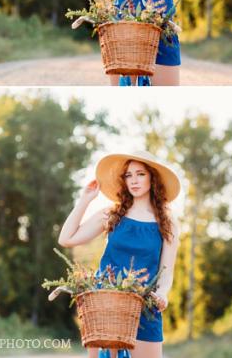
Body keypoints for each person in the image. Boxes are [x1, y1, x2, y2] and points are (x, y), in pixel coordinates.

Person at [58, 152, 181, 358]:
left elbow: (166, 271)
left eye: (140, 174)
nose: (134, 180)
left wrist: (163, 294)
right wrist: (85, 200)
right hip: (107, 304)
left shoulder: (167, 223)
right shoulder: (112, 214)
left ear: (152, 178)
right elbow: (66, 238)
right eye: (128, 175)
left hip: (146, 304)